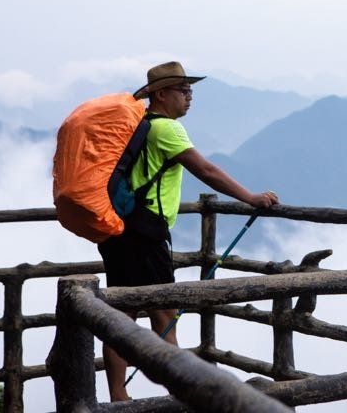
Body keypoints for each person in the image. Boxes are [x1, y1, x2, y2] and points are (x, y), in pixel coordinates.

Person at [98, 61, 280, 402]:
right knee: (164, 313)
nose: (190, 97)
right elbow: (206, 170)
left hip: (119, 227)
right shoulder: (166, 129)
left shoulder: (140, 123)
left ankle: (118, 397)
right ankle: (180, 395)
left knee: (120, 316)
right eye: (183, 91)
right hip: (146, 231)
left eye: (190, 90)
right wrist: (250, 197)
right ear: (162, 94)